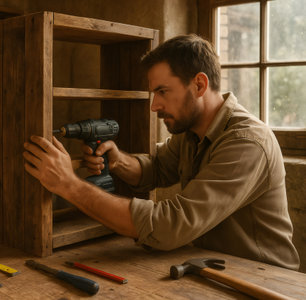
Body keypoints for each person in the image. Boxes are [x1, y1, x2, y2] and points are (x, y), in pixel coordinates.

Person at [23, 34, 300, 270]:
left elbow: (169, 226)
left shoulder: (246, 143)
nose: (154, 106)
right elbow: (156, 168)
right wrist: (118, 161)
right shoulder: (192, 131)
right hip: (211, 269)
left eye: (163, 92)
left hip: (263, 281)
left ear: (200, 85)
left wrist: (69, 185)